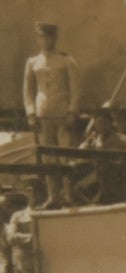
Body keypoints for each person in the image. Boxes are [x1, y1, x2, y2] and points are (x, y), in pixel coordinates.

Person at [23, 23, 80, 208]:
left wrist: (72, 110)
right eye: (42, 37)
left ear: (55, 38)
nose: (47, 41)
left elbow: (74, 88)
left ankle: (69, 196)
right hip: (43, 113)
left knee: (66, 154)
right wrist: (31, 113)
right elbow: (28, 90)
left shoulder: (66, 60)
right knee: (48, 156)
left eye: (50, 37)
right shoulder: (33, 62)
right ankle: (53, 196)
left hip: (62, 112)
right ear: (37, 38)